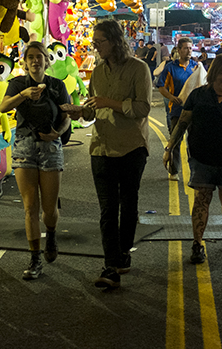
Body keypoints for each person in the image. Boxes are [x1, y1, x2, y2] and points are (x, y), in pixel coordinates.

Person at [61, 20, 152, 290]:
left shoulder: (139, 69)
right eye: (94, 42)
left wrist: (108, 103)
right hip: (101, 147)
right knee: (107, 209)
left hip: (131, 147)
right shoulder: (98, 72)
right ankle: (111, 264)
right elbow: (93, 109)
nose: (96, 46)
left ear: (114, 41)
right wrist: (80, 111)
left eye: (99, 41)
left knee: (128, 204)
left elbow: (143, 108)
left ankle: (123, 253)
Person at [163, 53, 222, 264]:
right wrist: (170, 147)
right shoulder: (198, 95)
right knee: (201, 201)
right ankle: (197, 243)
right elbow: (183, 123)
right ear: (213, 73)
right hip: (202, 158)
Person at [0, 41, 72, 281]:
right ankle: (34, 259)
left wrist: (58, 133)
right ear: (24, 61)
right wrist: (23, 95)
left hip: (51, 147)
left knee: (49, 209)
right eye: (30, 57)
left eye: (39, 56)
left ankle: (50, 234)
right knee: (30, 206)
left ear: (46, 60)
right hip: (24, 146)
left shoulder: (56, 85)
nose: (34, 61)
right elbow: (2, 107)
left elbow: (67, 116)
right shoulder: (18, 83)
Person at [156, 37, 200, 178]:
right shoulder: (170, 68)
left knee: (194, 142)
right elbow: (161, 86)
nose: (189, 51)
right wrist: (171, 97)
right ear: (179, 50)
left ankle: (195, 172)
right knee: (175, 141)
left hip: (194, 111)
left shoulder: (196, 67)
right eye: (186, 48)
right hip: (176, 111)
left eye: (190, 48)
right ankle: (174, 171)